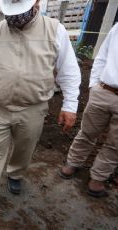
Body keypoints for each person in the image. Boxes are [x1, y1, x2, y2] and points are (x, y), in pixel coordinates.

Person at [0, 0, 81, 209]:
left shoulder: (55, 30)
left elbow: (69, 71)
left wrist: (70, 105)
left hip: (33, 108)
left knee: (24, 147)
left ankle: (15, 173)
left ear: (36, 3)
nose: (14, 19)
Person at [60, 24, 118, 198]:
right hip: (104, 90)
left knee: (115, 144)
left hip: (104, 91)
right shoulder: (117, 28)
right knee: (87, 132)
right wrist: (94, 85)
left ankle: (97, 179)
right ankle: (73, 163)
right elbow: (102, 56)